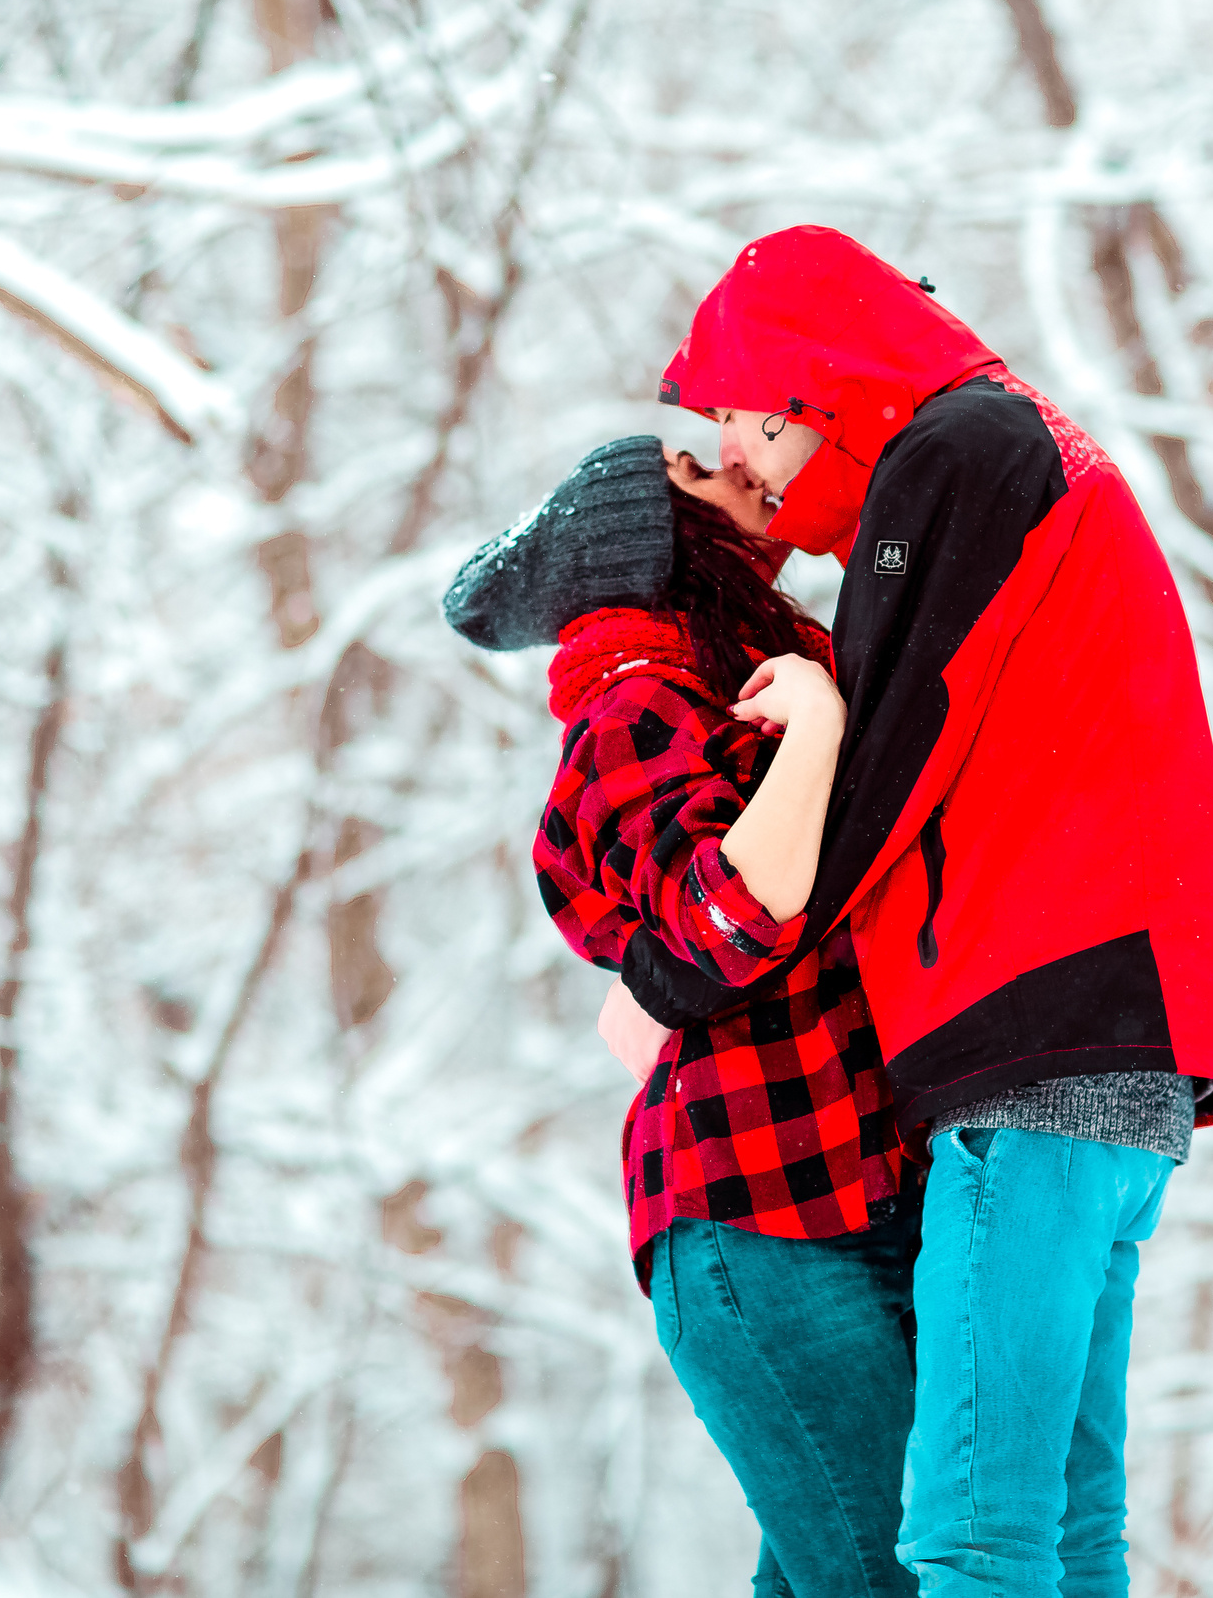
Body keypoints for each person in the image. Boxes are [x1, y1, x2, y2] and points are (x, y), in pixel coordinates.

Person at [617, 226, 1213, 1596]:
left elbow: (890, 752)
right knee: (1067, 1532)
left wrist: (683, 970)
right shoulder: (1024, 455)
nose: (740, 463)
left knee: (970, 1535)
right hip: (1119, 1055)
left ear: (814, 386)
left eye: (742, 425)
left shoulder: (957, 452)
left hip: (1033, 1042)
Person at [442, 434, 919, 1598]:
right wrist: (812, 729)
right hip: (755, 1215)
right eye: (704, 475)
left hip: (841, 1196)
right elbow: (725, 919)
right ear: (649, 543)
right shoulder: (631, 705)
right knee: (893, 1580)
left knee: (843, 1576)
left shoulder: (730, 675)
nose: (745, 474)